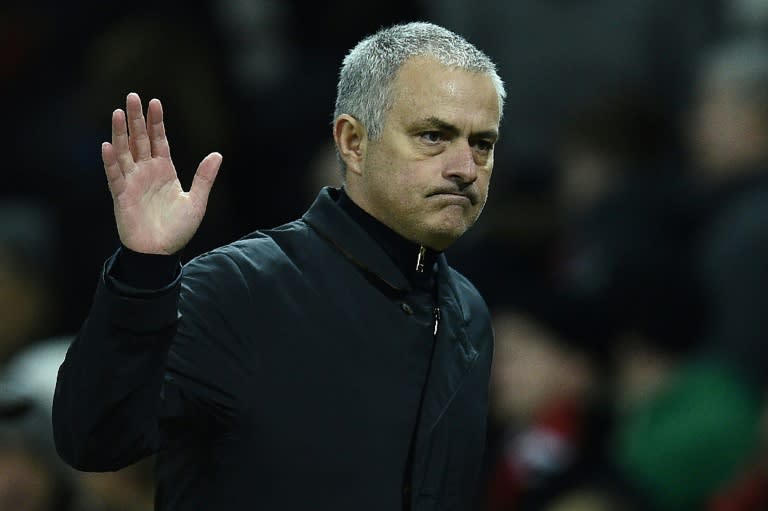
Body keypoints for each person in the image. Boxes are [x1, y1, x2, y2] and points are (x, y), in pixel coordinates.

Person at [52, 22, 505, 511]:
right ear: (353, 142)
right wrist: (142, 271)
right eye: (433, 135)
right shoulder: (239, 289)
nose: (464, 167)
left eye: (482, 143)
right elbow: (93, 440)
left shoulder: (469, 313)